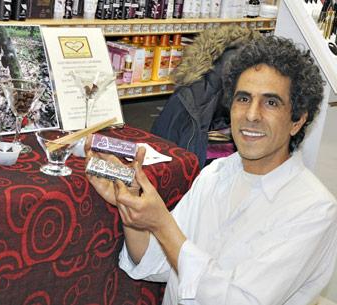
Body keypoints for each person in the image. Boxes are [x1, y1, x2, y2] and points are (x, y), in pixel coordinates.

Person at [85, 35, 337, 305]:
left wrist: (162, 222)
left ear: (297, 120)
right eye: (243, 98)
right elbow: (156, 263)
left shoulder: (313, 209)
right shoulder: (216, 174)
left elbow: (237, 300)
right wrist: (131, 209)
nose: (251, 114)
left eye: (271, 102)